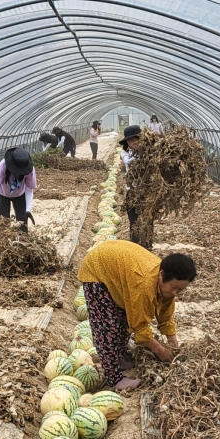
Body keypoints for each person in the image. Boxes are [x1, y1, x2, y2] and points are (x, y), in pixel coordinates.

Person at [78, 240, 196, 390]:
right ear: (161, 275)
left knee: (124, 320)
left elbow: (165, 317)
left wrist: (175, 348)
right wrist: (160, 350)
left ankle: (118, 357)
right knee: (108, 327)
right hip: (98, 269)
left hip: (119, 268)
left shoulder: (166, 286)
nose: (175, 293)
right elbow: (139, 326)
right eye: (174, 287)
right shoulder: (144, 285)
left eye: (180, 289)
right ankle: (114, 379)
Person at [119, 125, 152, 246]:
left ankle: (148, 245)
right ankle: (135, 245)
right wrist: (137, 152)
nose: (132, 143)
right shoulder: (125, 153)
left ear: (140, 139)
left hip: (147, 191)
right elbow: (128, 161)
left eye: (134, 140)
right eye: (129, 141)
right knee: (133, 221)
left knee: (148, 219)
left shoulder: (149, 152)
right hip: (132, 192)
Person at [0, 148, 36, 232]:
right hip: (3, 195)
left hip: (20, 195)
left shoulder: (30, 170)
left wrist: (28, 210)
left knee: (22, 223)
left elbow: (29, 190)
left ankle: (22, 237)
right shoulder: (2, 166)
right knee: (4, 223)